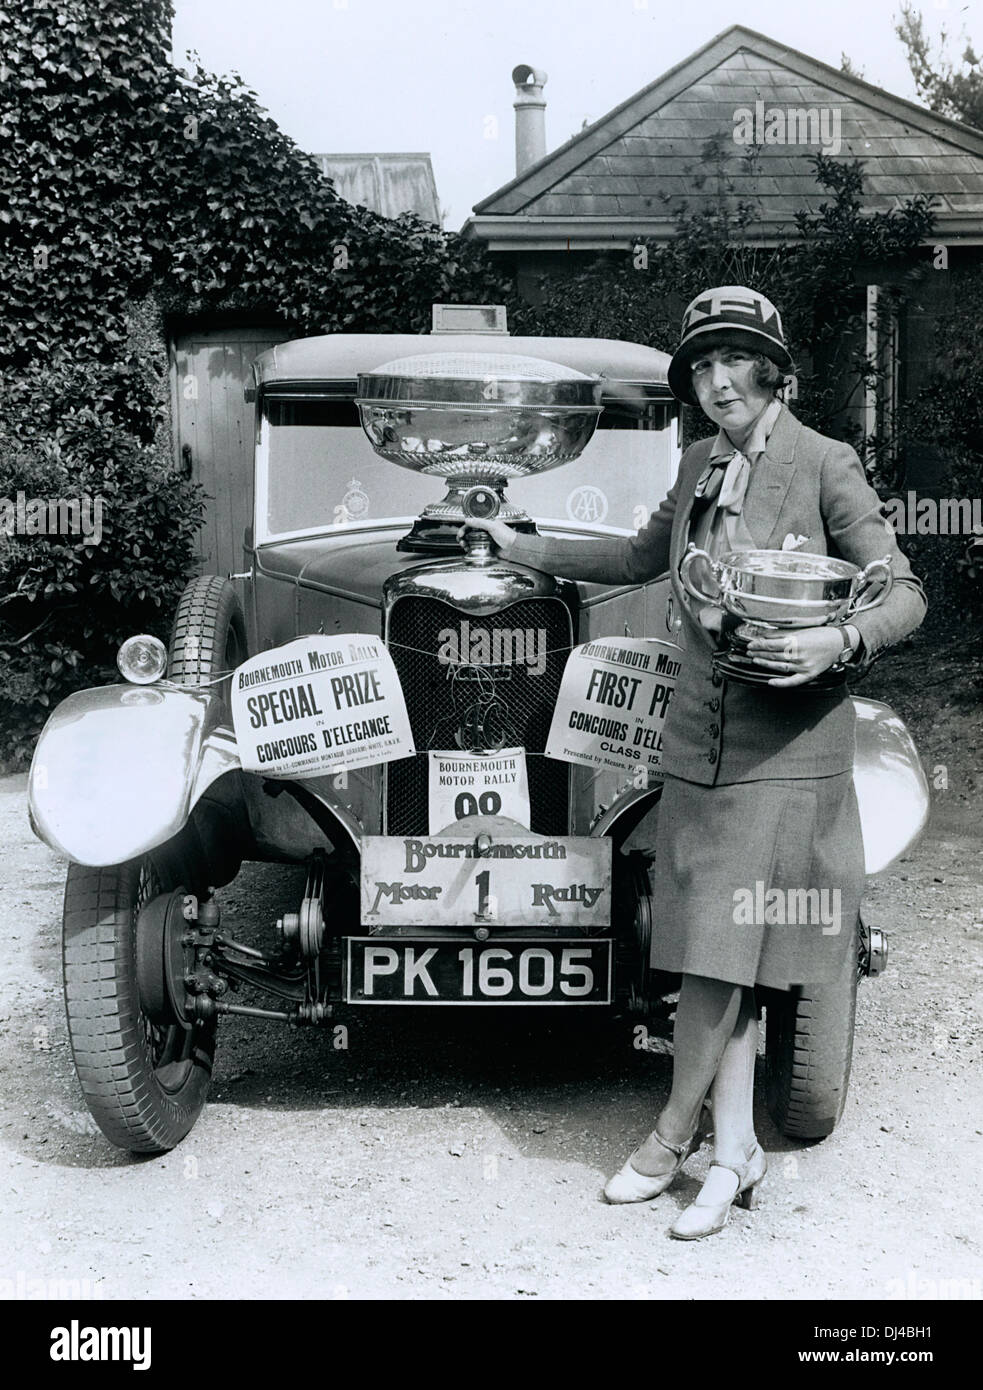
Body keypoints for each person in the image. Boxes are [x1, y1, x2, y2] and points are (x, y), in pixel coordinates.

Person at [461, 286, 927, 1239]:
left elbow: (903, 593)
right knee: (720, 957)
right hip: (696, 751)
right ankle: (735, 1153)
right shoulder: (698, 463)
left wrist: (839, 644)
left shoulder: (826, 464)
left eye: (733, 363)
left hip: (785, 754)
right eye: (701, 368)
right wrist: (531, 545)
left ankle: (673, 1138)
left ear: (773, 371)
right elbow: (639, 555)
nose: (716, 383)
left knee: (722, 955)